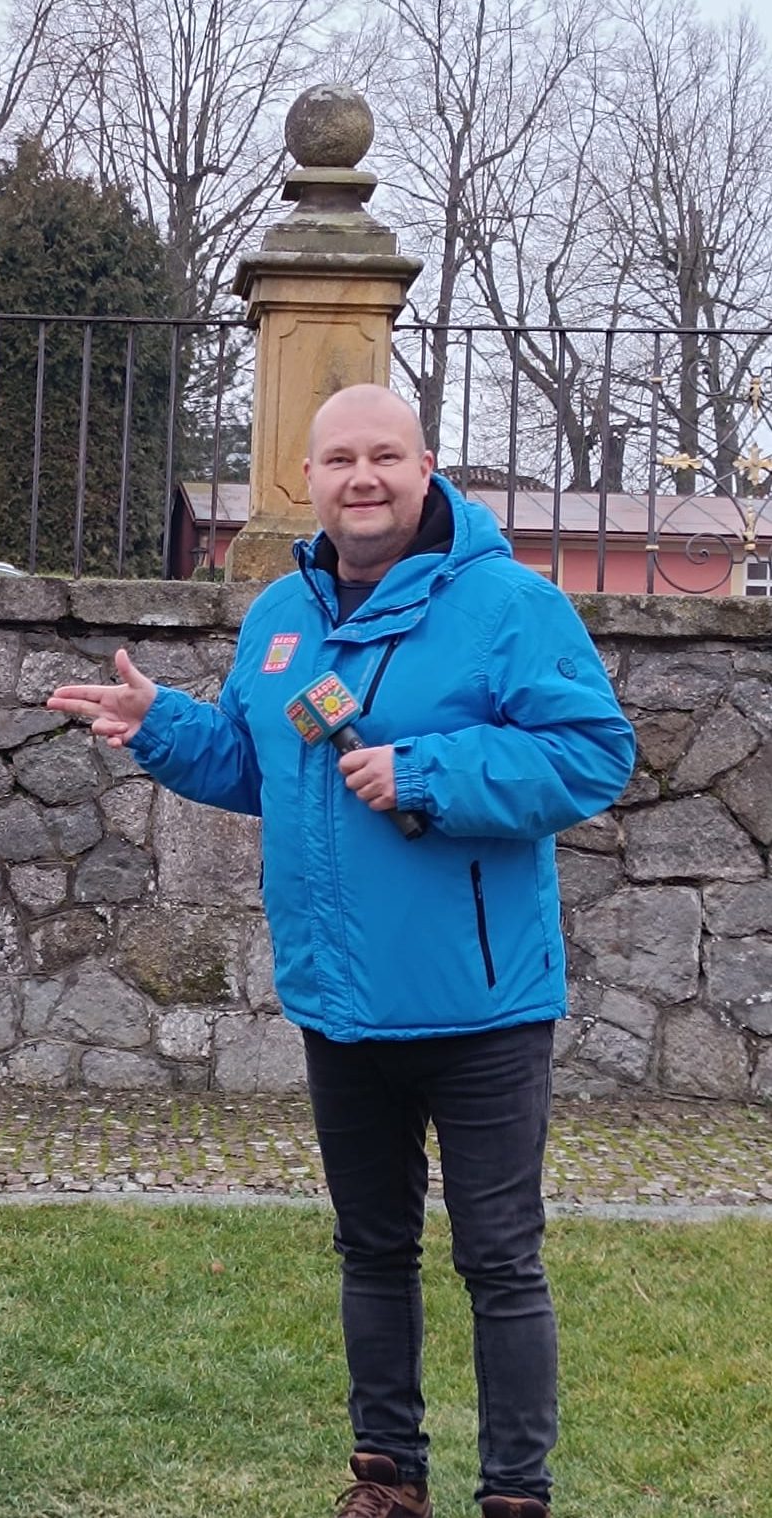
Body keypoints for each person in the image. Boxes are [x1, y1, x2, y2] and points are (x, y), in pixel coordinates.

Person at [49, 384, 635, 1518]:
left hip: (480, 1006)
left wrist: (428, 774)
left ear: (425, 468)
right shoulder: (282, 614)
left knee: (499, 1261)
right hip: (339, 1001)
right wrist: (159, 724)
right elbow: (253, 767)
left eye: (385, 457)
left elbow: (593, 755)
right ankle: (389, 1480)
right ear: (303, 480)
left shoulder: (508, 603)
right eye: (337, 461)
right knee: (372, 1248)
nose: (361, 479)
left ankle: (516, 1493)